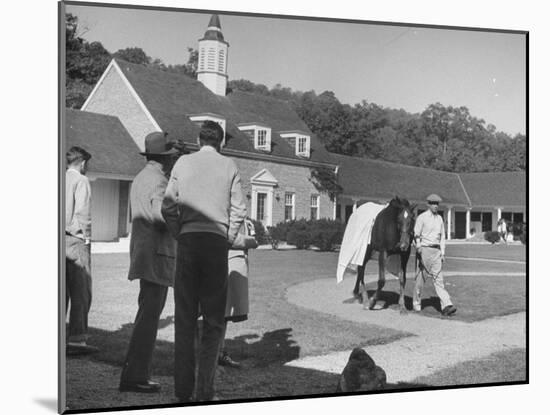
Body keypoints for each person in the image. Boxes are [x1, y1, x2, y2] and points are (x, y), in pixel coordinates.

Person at [162, 120, 247, 402]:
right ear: (221, 142)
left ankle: (183, 394)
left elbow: (168, 206)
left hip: (188, 243)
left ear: (199, 140)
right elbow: (239, 209)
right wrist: (227, 237)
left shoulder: (183, 164)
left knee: (184, 321)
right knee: (213, 321)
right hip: (214, 245)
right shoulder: (229, 166)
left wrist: (180, 233)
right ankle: (205, 392)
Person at [119, 132, 179, 394]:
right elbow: (160, 216)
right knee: (148, 320)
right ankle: (135, 378)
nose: (174, 159)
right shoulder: (158, 180)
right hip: (156, 257)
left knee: (146, 317)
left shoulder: (143, 176)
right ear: (164, 157)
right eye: (172, 155)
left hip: (147, 256)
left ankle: (135, 374)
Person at [65, 146, 98, 354]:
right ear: (83, 162)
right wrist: (86, 239)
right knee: (81, 292)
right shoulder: (81, 180)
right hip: (75, 239)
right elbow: (82, 213)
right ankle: (77, 341)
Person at [218, 218, 258, 368]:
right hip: (226, 264)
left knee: (225, 315)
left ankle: (219, 351)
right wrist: (251, 241)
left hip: (235, 264)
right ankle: (215, 352)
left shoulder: (243, 220)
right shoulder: (223, 212)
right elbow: (228, 238)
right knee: (219, 312)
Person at [413, 194, 457, 316]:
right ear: (428, 204)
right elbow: (416, 234)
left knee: (439, 280)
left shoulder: (440, 219)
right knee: (420, 280)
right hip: (425, 250)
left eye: (437, 203)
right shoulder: (421, 218)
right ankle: (416, 303)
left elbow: (442, 236)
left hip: (436, 251)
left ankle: (446, 306)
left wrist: (442, 253)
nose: (435, 206)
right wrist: (418, 247)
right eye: (433, 203)